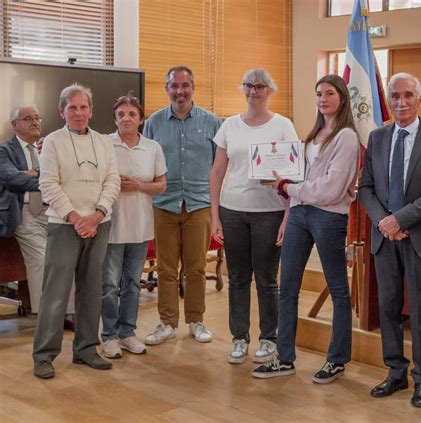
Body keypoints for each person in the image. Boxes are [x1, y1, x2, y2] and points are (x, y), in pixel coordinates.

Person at [252, 74, 359, 381]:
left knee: (338, 289)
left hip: (328, 216)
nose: (323, 99)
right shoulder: (313, 135)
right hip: (300, 214)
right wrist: (281, 181)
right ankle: (284, 357)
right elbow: (300, 179)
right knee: (287, 288)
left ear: (342, 97)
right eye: (319, 94)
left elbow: (330, 189)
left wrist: (289, 186)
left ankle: (336, 359)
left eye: (329, 93)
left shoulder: (346, 137)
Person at [358, 72, 421, 408]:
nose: (401, 102)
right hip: (385, 238)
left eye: (408, 95)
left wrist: (401, 219)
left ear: (419, 99)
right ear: (389, 99)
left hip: (420, 236)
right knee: (387, 307)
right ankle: (395, 371)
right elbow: (365, 188)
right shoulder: (378, 137)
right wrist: (386, 223)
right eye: (395, 96)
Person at [32, 83, 120, 379]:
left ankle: (85, 349)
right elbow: (48, 184)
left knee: (92, 290)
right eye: (72, 108)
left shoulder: (104, 142)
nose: (79, 113)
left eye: (84, 107)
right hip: (63, 225)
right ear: (62, 112)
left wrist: (96, 215)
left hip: (99, 224)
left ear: (91, 111)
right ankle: (44, 355)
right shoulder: (53, 142)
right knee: (55, 293)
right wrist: (75, 217)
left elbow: (112, 181)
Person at [210, 68, 298, 364]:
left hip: (270, 212)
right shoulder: (230, 126)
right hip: (232, 210)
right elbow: (218, 172)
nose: (253, 91)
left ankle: (268, 338)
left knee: (266, 278)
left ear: (269, 90)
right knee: (237, 278)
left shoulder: (284, 126)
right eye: (248, 85)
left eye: (260, 86)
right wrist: (215, 216)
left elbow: (293, 177)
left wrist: (287, 218)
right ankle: (239, 338)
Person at [143, 66, 221, 345]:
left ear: (193, 87)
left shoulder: (212, 123)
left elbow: (220, 166)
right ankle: (166, 323)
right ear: (167, 89)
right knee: (165, 268)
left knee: (196, 267)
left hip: (199, 204)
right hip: (164, 203)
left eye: (185, 85)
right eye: (174, 86)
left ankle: (196, 321)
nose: (180, 91)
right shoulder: (153, 122)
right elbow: (146, 161)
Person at [101, 94, 167, 359]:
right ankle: (109, 336)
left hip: (141, 226)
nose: (126, 118)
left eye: (132, 114)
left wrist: (138, 185)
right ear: (115, 118)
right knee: (108, 284)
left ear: (141, 119)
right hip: (111, 224)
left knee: (131, 283)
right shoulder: (104, 144)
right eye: (121, 114)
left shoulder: (152, 147)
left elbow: (161, 186)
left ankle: (128, 333)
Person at [0, 106, 75, 326]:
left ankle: (68, 313)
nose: (35, 122)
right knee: (40, 260)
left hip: (52, 210)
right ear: (15, 125)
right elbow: (12, 179)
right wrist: (45, 179)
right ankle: (48, 318)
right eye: (28, 118)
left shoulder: (49, 146)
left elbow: (64, 176)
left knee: (65, 259)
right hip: (23, 213)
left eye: (37, 118)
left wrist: (34, 174)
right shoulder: (5, 151)